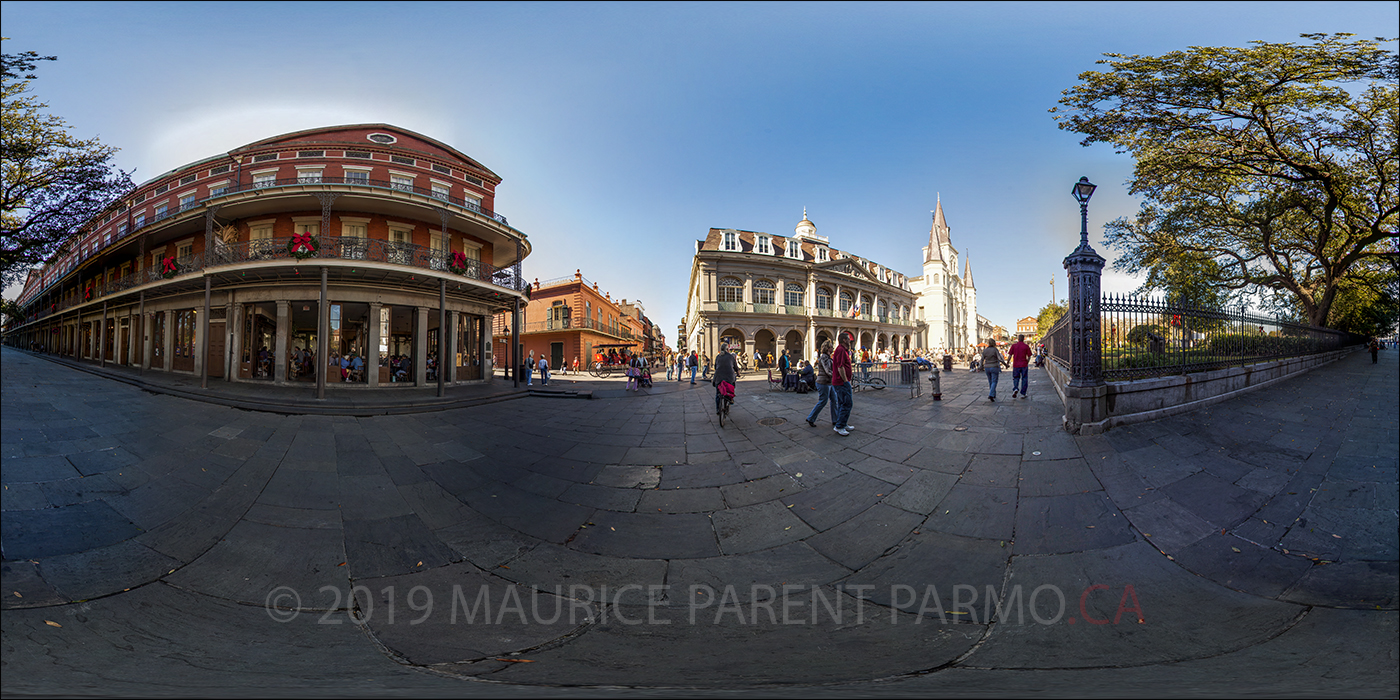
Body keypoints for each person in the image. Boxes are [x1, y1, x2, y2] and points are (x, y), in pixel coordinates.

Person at [806, 341, 836, 427]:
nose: (833, 348)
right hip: (823, 382)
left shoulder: (828, 357)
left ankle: (835, 419)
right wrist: (836, 376)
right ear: (827, 348)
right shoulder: (824, 357)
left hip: (829, 382)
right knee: (823, 401)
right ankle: (811, 418)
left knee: (834, 400)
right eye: (831, 347)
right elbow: (828, 371)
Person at [830, 333, 854, 435]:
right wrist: (845, 381)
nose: (850, 340)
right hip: (841, 382)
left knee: (842, 403)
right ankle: (840, 426)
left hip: (840, 381)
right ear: (844, 340)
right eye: (848, 339)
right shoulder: (840, 350)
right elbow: (840, 367)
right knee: (847, 403)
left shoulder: (842, 350)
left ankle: (842, 423)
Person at [712, 342, 738, 417]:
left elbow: (715, 367)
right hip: (729, 378)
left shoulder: (718, 357)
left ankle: (717, 409)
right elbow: (735, 367)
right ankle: (730, 399)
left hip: (718, 378)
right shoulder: (730, 357)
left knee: (718, 394)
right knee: (731, 386)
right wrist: (738, 373)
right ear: (727, 349)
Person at [1008, 333, 1033, 399]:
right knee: (1024, 378)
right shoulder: (1026, 346)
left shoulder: (1014, 346)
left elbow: (1010, 355)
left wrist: (1007, 363)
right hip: (1024, 364)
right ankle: (1023, 393)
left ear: (1018, 339)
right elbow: (1030, 356)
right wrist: (1027, 362)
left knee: (1016, 377)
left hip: (1016, 365)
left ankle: (1015, 388)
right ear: (1024, 339)